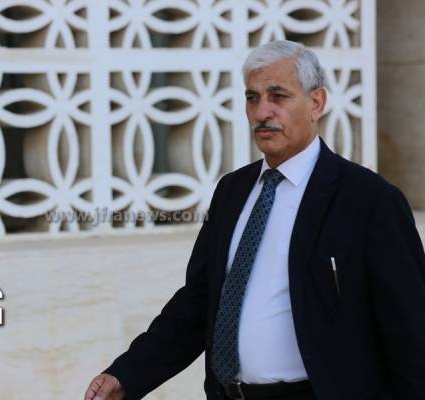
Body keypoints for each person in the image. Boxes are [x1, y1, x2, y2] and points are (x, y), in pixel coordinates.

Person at [84, 40, 425, 400]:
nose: (262, 111)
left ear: (316, 103)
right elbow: (198, 304)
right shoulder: (232, 190)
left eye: (278, 96)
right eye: (252, 98)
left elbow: (411, 333)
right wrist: (126, 375)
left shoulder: (369, 201)